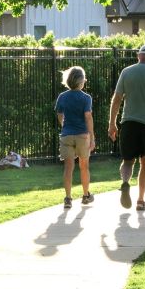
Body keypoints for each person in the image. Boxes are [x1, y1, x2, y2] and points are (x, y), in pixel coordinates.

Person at [108, 43, 145, 212]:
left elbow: (117, 98)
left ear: (138, 56)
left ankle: (126, 182)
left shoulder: (126, 72)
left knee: (127, 161)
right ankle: (141, 200)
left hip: (128, 123)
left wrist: (112, 123)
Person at [55, 65, 95, 209]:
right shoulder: (86, 98)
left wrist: (64, 126)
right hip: (82, 135)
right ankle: (85, 195)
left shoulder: (62, 96)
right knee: (84, 166)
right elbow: (88, 117)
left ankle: (68, 198)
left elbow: (60, 115)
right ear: (80, 81)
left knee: (68, 167)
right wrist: (92, 136)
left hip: (66, 135)